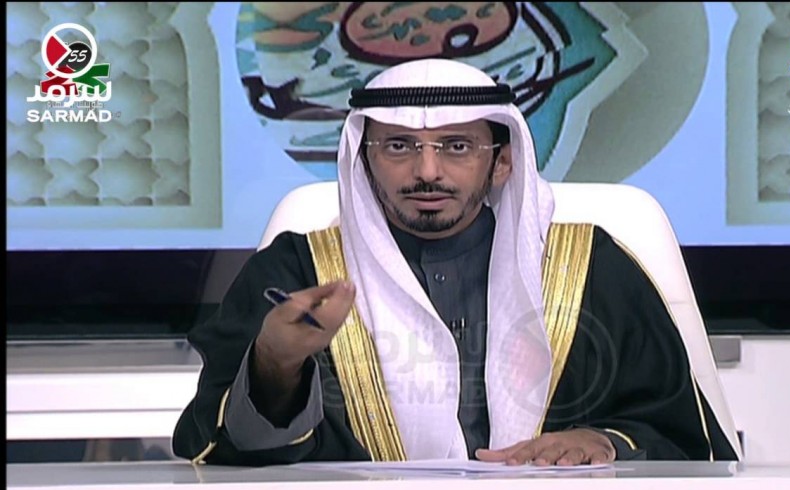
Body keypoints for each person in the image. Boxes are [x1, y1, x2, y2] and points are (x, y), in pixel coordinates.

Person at [173, 59, 741, 466]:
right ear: (364, 161)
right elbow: (222, 456)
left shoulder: (591, 268)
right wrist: (274, 364)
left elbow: (685, 437)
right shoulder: (297, 273)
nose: (427, 172)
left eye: (457, 146)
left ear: (502, 163)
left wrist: (606, 443)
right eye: (399, 147)